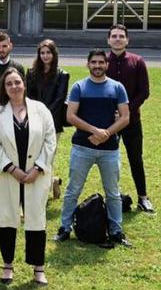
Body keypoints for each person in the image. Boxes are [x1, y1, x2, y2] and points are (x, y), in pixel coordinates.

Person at [0, 68, 56, 285]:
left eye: (17, 82)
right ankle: (7, 265)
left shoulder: (40, 110)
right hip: (7, 176)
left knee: (36, 220)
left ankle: (38, 268)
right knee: (7, 220)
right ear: (4, 88)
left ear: (24, 84)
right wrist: (12, 169)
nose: (14, 87)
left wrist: (38, 168)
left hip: (36, 175)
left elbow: (50, 141)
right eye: (9, 84)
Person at [56, 50, 132, 248]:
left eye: (101, 62)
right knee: (73, 190)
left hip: (110, 150)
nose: (97, 65)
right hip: (82, 147)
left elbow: (125, 117)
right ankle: (64, 228)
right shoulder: (79, 87)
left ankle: (116, 231)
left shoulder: (117, 88)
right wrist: (94, 130)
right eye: (94, 62)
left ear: (106, 64)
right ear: (87, 64)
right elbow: (70, 116)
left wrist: (106, 133)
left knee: (113, 193)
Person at [106, 24, 154, 213]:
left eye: (121, 36)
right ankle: (113, 196)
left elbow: (144, 92)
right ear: (108, 40)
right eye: (114, 36)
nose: (118, 39)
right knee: (110, 160)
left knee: (136, 159)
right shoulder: (102, 61)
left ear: (127, 40)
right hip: (109, 123)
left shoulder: (137, 61)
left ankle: (143, 197)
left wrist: (126, 111)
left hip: (132, 121)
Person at [26, 38, 68, 199]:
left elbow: (59, 99)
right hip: (33, 121)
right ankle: (52, 181)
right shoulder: (30, 73)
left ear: (53, 54)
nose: (45, 56)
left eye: (48, 53)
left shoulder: (62, 75)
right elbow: (28, 96)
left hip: (53, 123)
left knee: (47, 157)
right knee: (34, 157)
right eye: (42, 53)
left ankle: (42, 192)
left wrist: (43, 116)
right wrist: (35, 115)